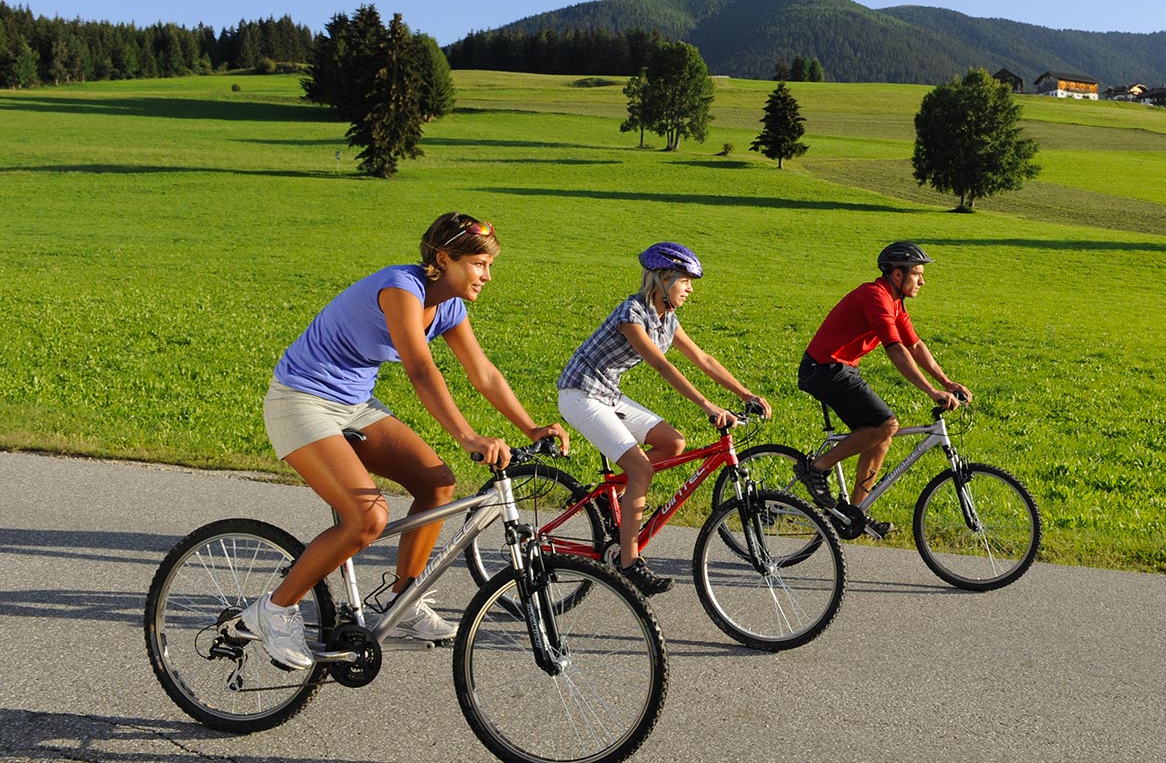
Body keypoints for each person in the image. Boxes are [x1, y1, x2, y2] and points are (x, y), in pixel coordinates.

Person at [237, 212, 570, 670]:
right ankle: (272, 610)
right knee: (368, 517)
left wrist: (531, 427)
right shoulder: (400, 288)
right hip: (302, 401)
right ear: (443, 259)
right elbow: (419, 368)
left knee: (436, 484)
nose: (487, 276)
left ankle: (405, 599)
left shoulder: (450, 305)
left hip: (353, 404)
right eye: (478, 264)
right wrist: (468, 435)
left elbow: (484, 373)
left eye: (489, 266)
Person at [557, 242, 770, 596]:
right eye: (685, 280)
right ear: (662, 279)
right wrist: (708, 405)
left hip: (607, 394)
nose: (690, 288)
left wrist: (745, 394)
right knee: (642, 470)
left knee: (673, 443)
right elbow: (662, 365)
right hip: (580, 394)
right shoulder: (633, 313)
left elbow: (703, 359)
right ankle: (628, 564)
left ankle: (610, 497)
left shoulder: (667, 318)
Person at [792, 241, 972, 537]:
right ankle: (816, 468)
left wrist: (947, 383)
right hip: (824, 368)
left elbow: (914, 345)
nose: (923, 281)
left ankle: (853, 514)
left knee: (882, 435)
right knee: (886, 424)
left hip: (840, 368)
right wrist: (931, 392)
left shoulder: (895, 302)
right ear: (897, 275)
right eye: (917, 274)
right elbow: (895, 349)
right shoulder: (874, 296)